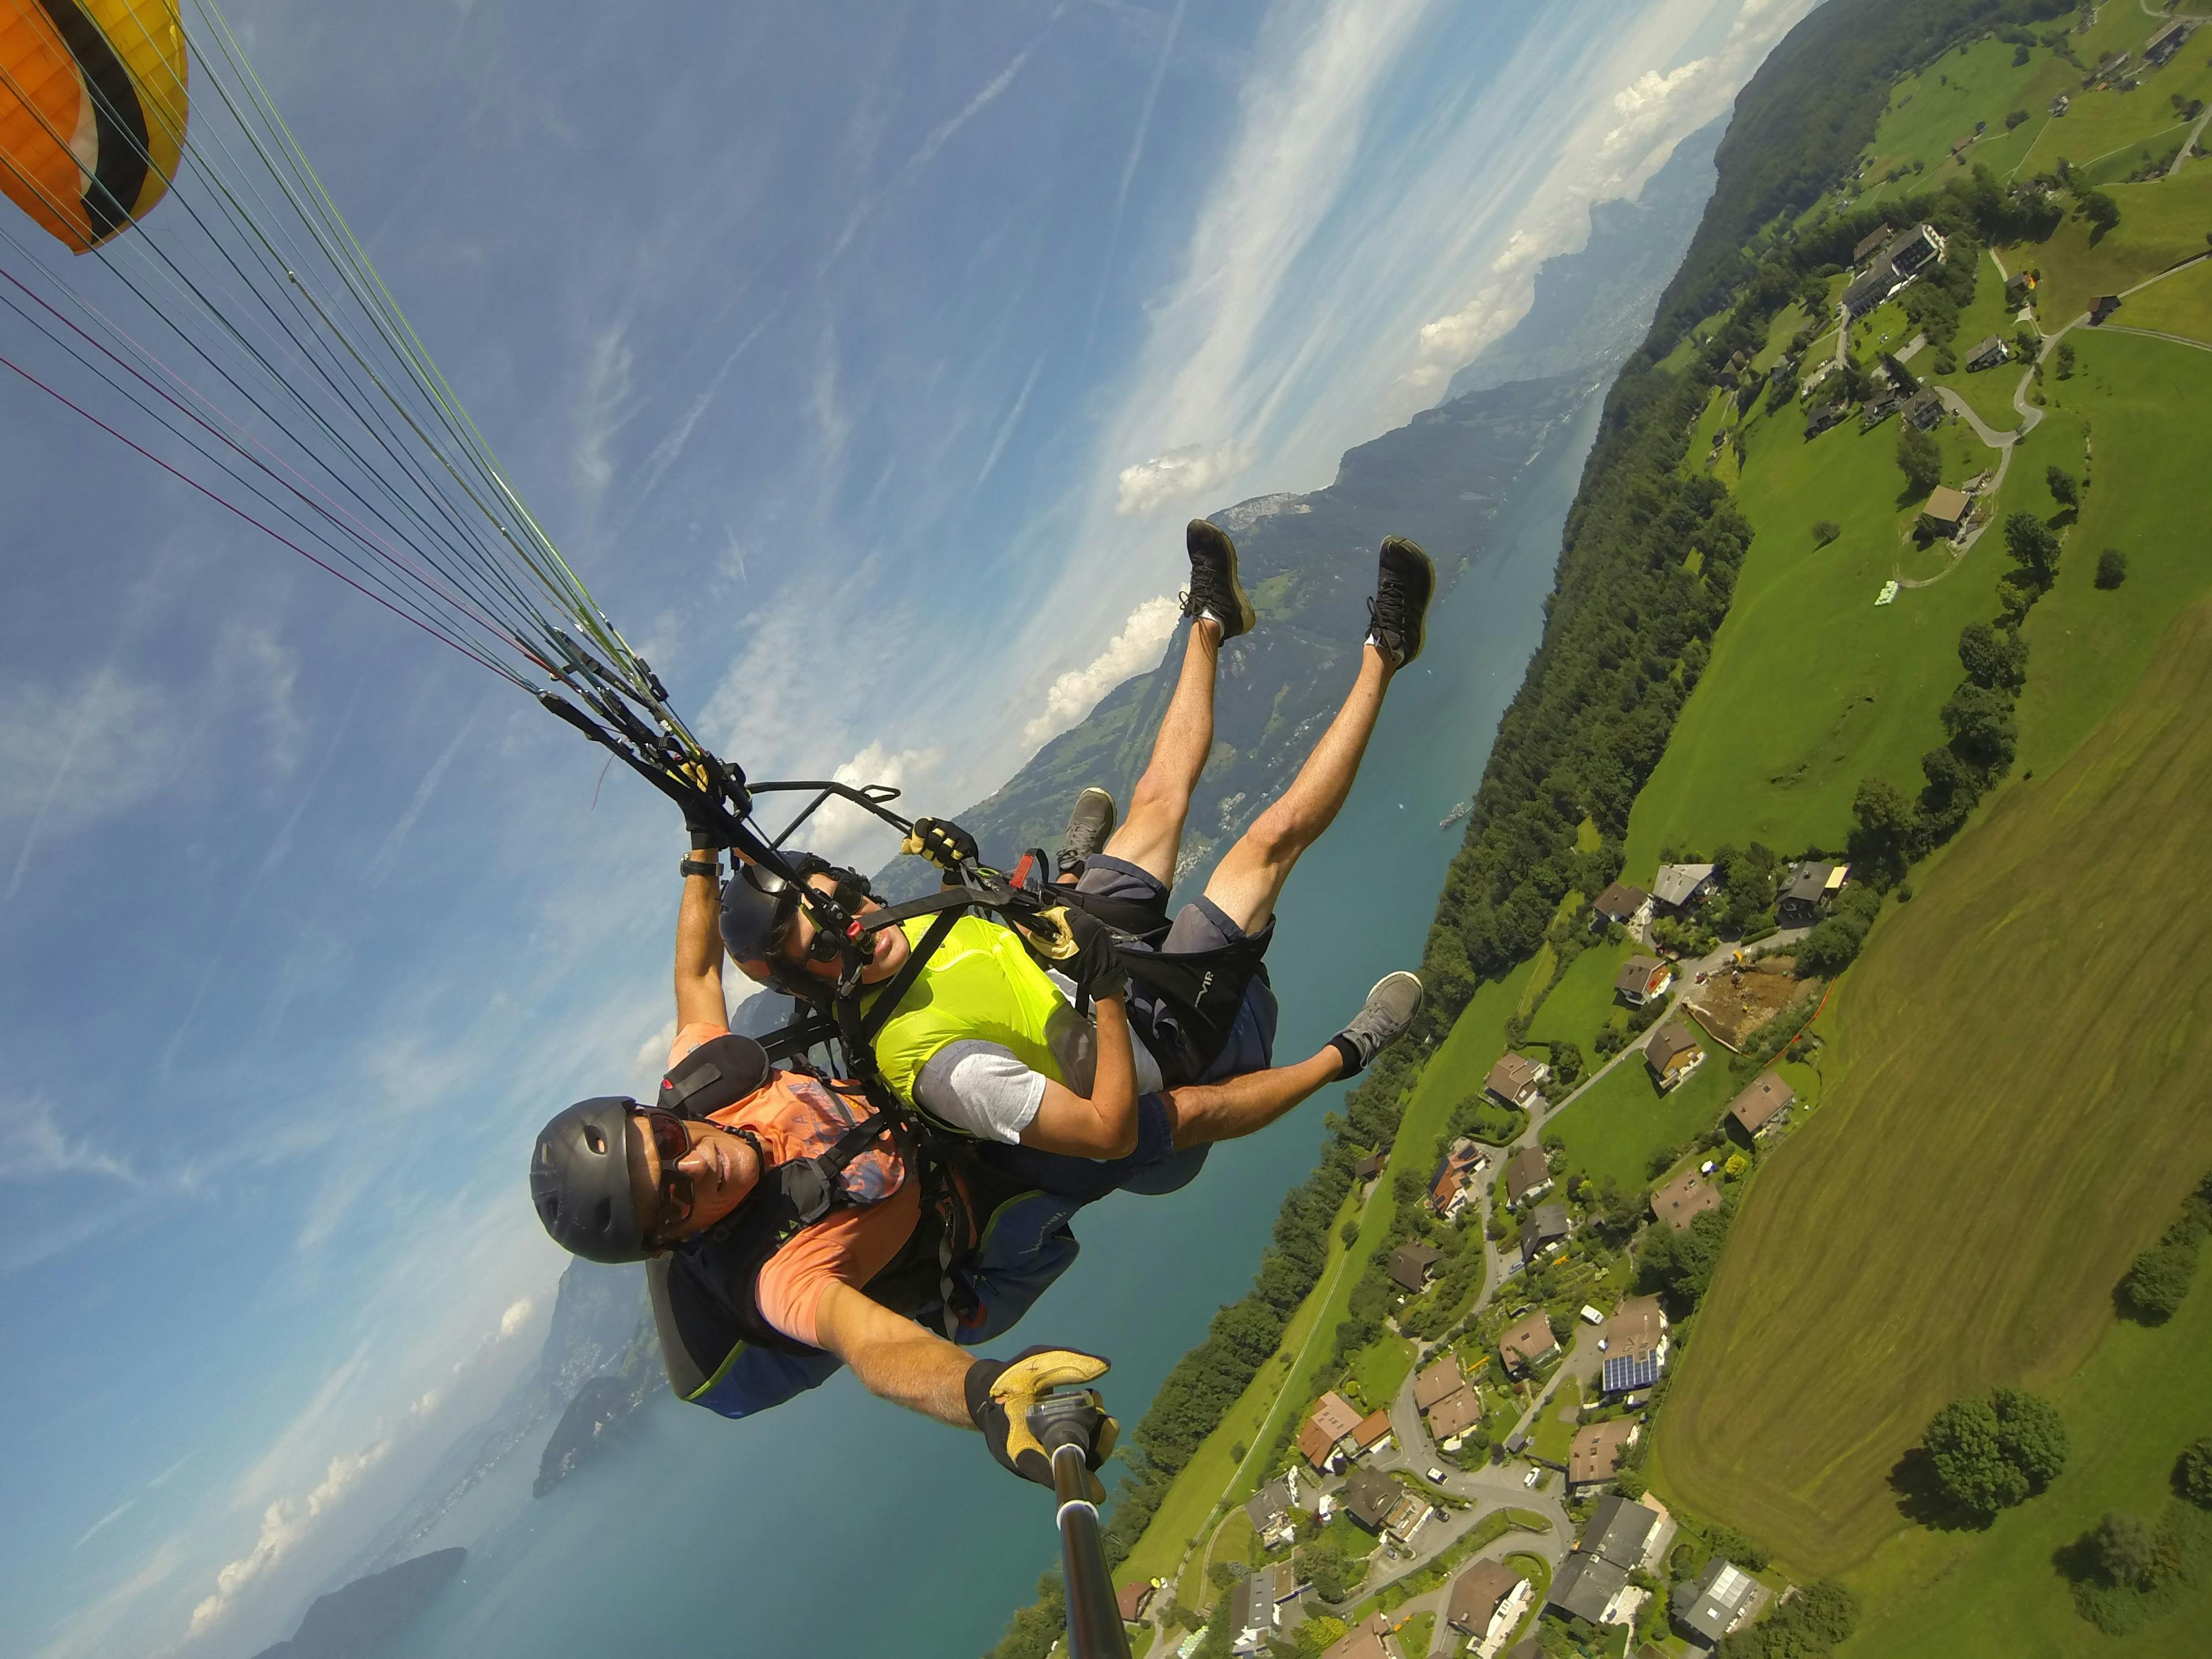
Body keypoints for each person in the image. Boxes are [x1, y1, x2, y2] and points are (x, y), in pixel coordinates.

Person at [719, 520, 1434, 1200]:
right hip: (1159, 1038)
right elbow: (1108, 1132)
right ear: (806, 982)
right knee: (1266, 842)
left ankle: (1213, 620)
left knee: (1155, 796)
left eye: (840, 905)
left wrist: (964, 875)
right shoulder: (933, 1065)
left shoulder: (908, 924)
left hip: (1083, 957)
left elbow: (985, 961)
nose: (853, 930)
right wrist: (1110, 994)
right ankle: (1387, 652)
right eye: (822, 945)